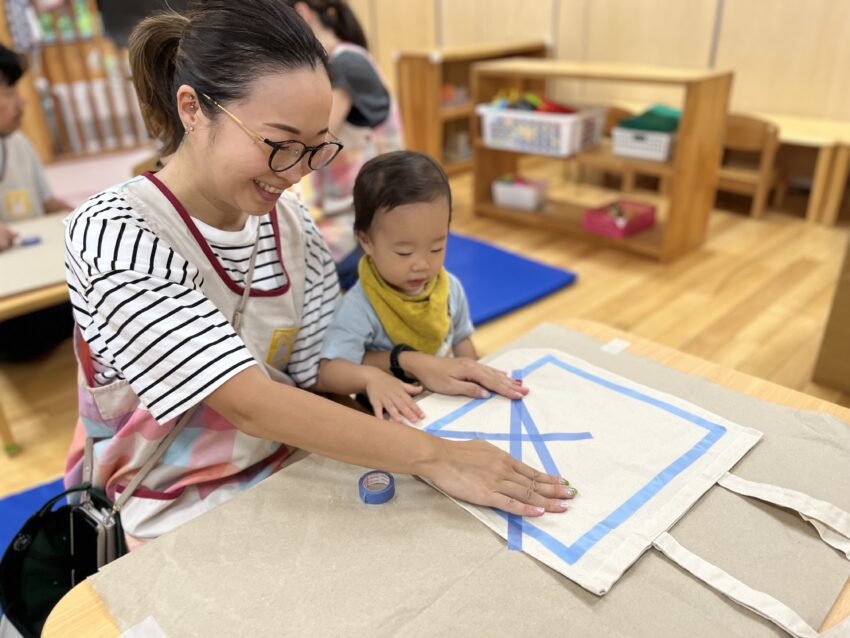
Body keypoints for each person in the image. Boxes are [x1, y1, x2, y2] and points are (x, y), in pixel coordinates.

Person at [63, 0, 573, 548]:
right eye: (281, 145)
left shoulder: (288, 220)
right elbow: (248, 402)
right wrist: (438, 456)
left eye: (316, 147)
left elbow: (315, 364)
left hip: (292, 468)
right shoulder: (115, 232)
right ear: (192, 108)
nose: (298, 172)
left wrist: (410, 361)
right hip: (173, 505)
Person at [317, 151, 482, 423]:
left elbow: (462, 339)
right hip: (390, 414)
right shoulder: (361, 305)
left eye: (436, 247)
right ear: (366, 241)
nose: (422, 264)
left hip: (445, 404)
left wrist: (473, 375)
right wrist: (370, 378)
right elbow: (329, 371)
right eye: (404, 253)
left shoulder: (449, 287)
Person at [287, 0, 403, 288]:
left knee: (291, 277)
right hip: (348, 210)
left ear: (302, 13)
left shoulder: (346, 63)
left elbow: (314, 142)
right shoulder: (339, 61)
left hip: (364, 219)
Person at [0, 44, 74, 362]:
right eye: (9, 89)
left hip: (43, 288)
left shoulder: (19, 144)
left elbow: (47, 204)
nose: (22, 100)